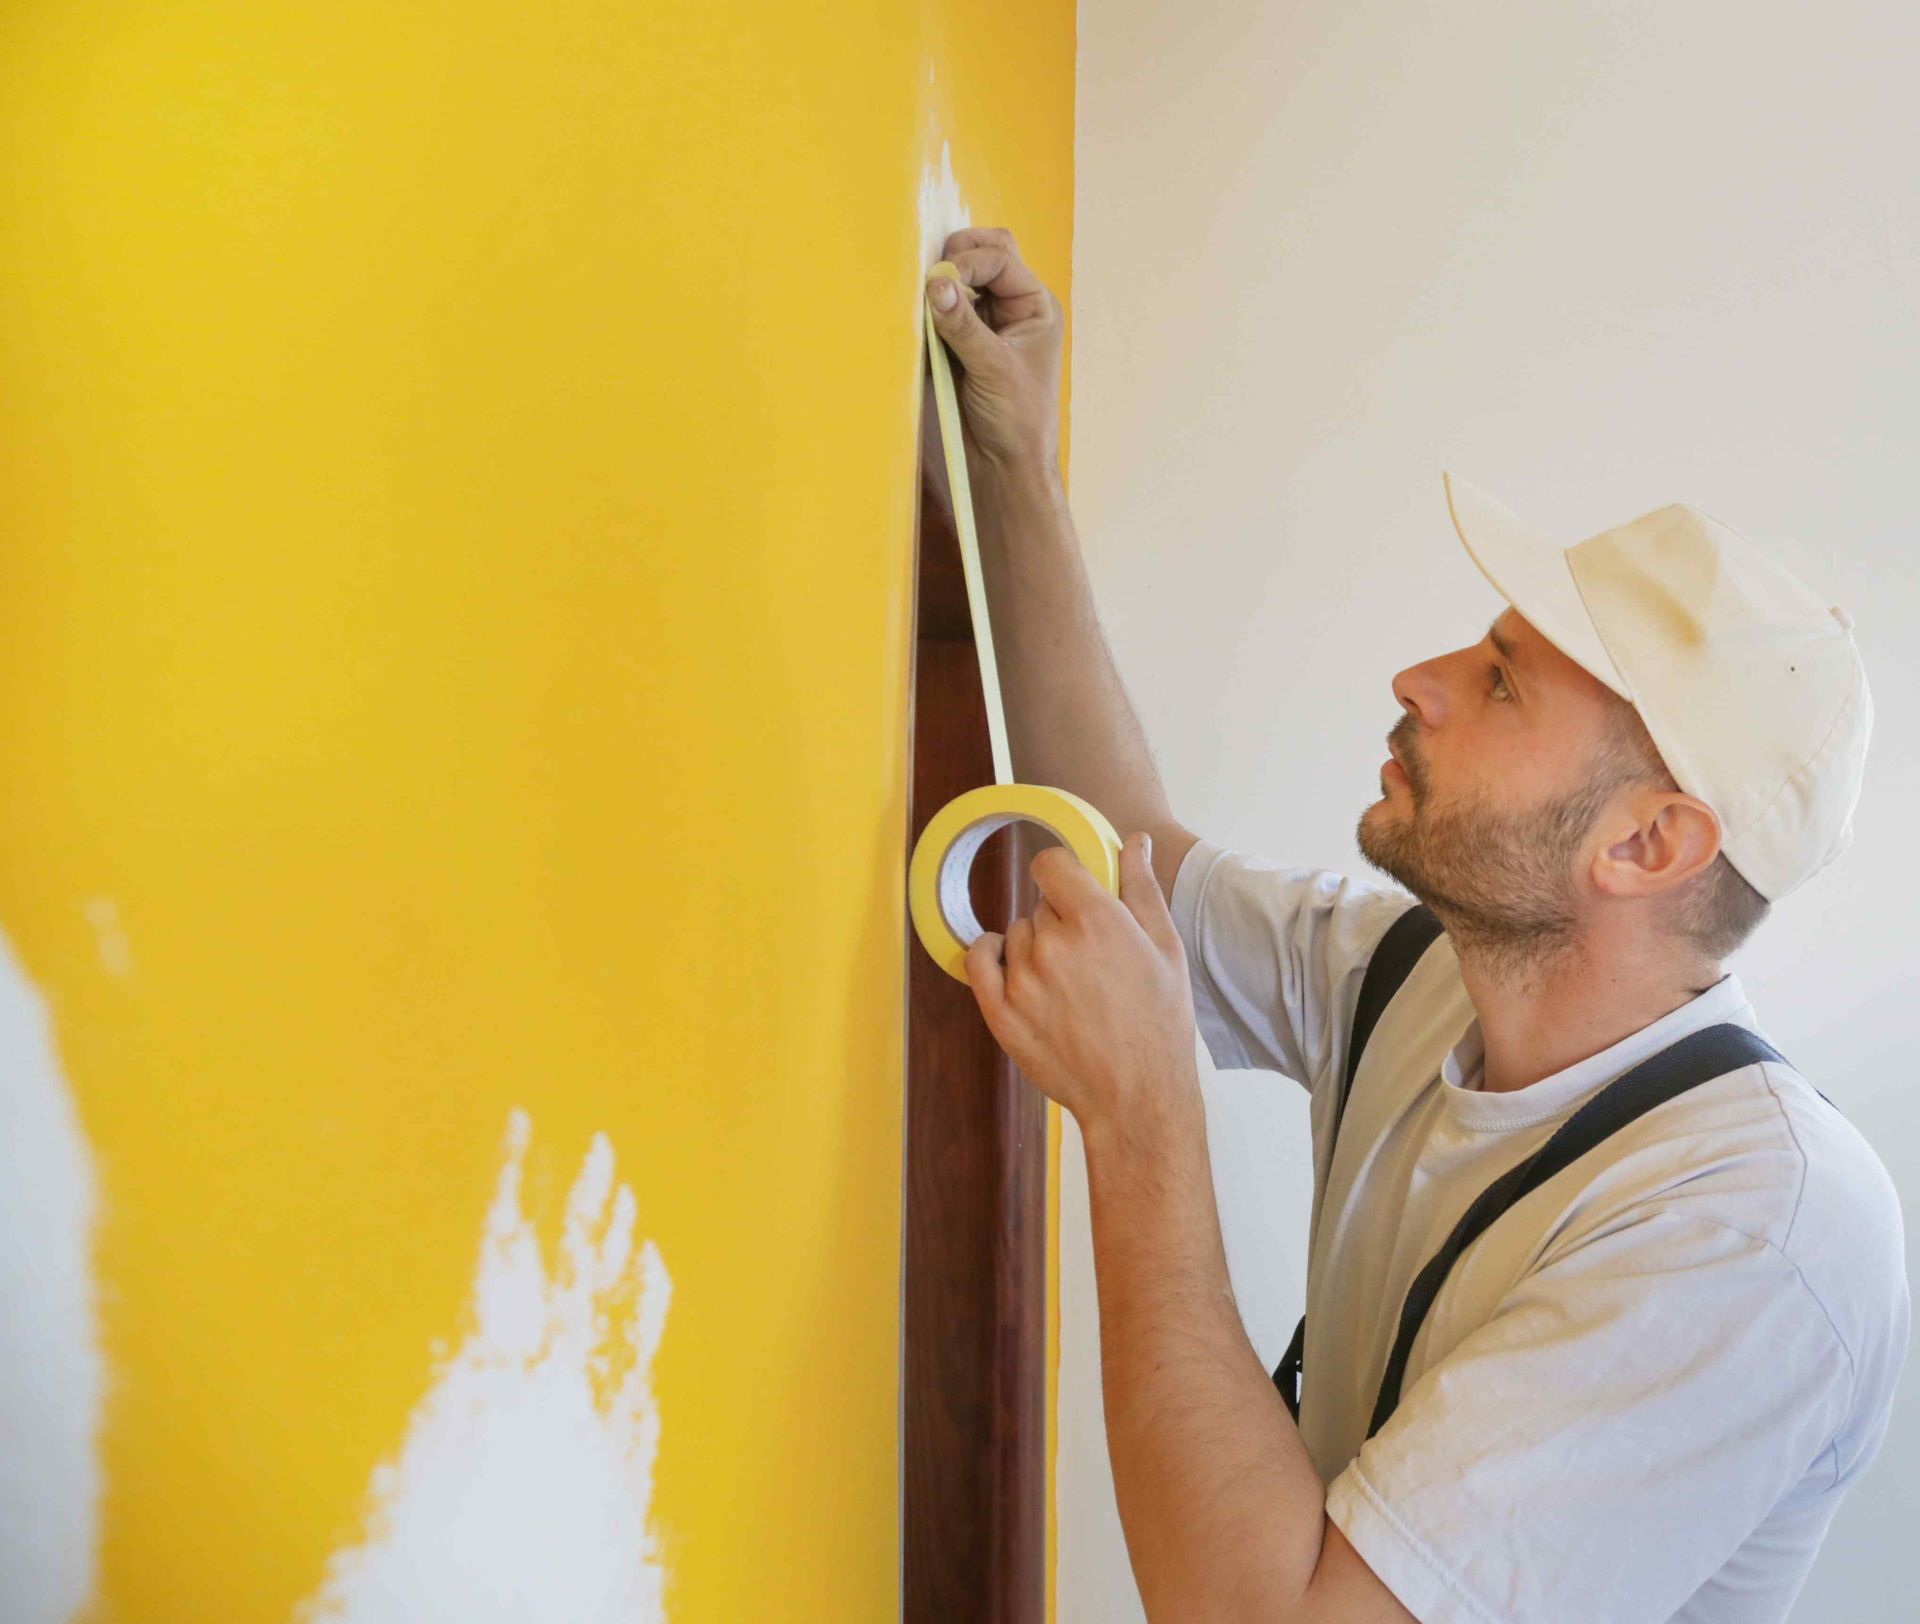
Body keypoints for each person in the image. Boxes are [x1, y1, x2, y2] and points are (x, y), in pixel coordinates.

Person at [925, 227, 1909, 1623]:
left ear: (1647, 844)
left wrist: (1143, 1130)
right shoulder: (1427, 980)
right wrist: (1015, 463)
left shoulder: (1754, 1238)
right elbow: (1118, 855)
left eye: (1503, 684)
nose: (1421, 677)